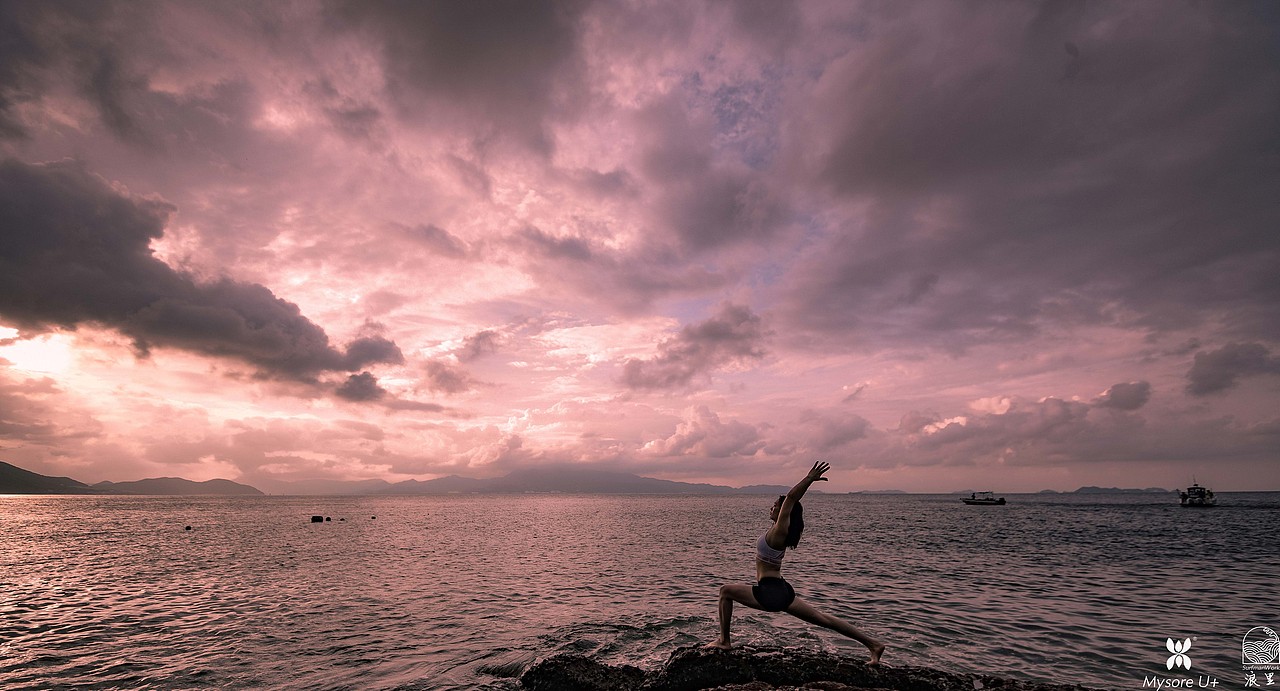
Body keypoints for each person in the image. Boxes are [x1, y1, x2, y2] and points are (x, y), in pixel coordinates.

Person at [706, 460, 886, 665]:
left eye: (776, 505)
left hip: (771, 592)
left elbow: (791, 497)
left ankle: (724, 641)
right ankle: (873, 644)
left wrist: (809, 479)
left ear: (785, 513)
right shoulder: (777, 532)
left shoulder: (779, 531)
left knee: (725, 591)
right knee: (824, 619)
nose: (772, 507)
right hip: (780, 589)